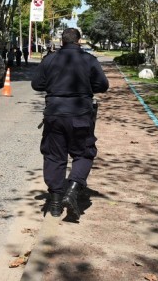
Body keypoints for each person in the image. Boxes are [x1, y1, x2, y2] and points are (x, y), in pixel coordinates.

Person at [31, 28, 109, 219]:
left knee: (54, 156)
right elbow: (102, 85)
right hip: (80, 114)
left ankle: (56, 203)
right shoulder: (89, 60)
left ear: (62, 41)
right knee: (84, 153)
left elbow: (36, 84)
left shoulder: (49, 59)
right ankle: (73, 190)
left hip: (55, 114)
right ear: (79, 41)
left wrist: (53, 85)